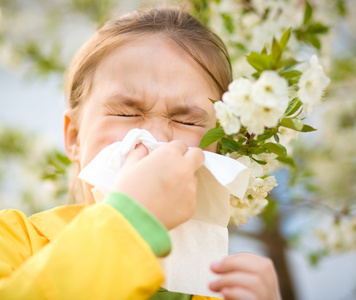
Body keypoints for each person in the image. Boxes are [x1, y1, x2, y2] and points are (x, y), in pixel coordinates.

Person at [0, 6, 281, 300]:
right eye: (125, 113)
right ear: (74, 137)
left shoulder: (222, 291)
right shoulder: (13, 242)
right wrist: (129, 223)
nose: (155, 140)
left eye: (186, 121)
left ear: (218, 148)